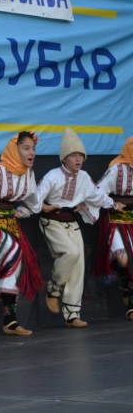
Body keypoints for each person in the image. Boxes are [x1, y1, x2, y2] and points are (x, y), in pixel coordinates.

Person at [38, 128, 124, 328]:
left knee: (78, 266)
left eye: (81, 156)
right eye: (73, 155)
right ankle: (53, 289)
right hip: (52, 221)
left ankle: (72, 314)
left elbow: (97, 195)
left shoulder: (84, 177)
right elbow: (36, 197)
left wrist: (114, 205)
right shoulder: (53, 176)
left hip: (71, 222)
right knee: (70, 253)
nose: (78, 159)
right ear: (64, 158)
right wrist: (43, 206)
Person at [0, 131, 43, 336]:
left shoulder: (29, 174)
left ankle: (10, 320)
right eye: (26, 148)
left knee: (16, 261)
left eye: (33, 148)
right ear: (15, 150)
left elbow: (34, 203)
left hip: (10, 224)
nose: (31, 153)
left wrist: (22, 212)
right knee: (13, 250)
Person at [94, 137, 133, 320]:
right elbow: (98, 190)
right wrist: (112, 203)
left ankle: (131, 303)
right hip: (116, 219)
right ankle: (124, 283)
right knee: (124, 259)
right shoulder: (117, 169)